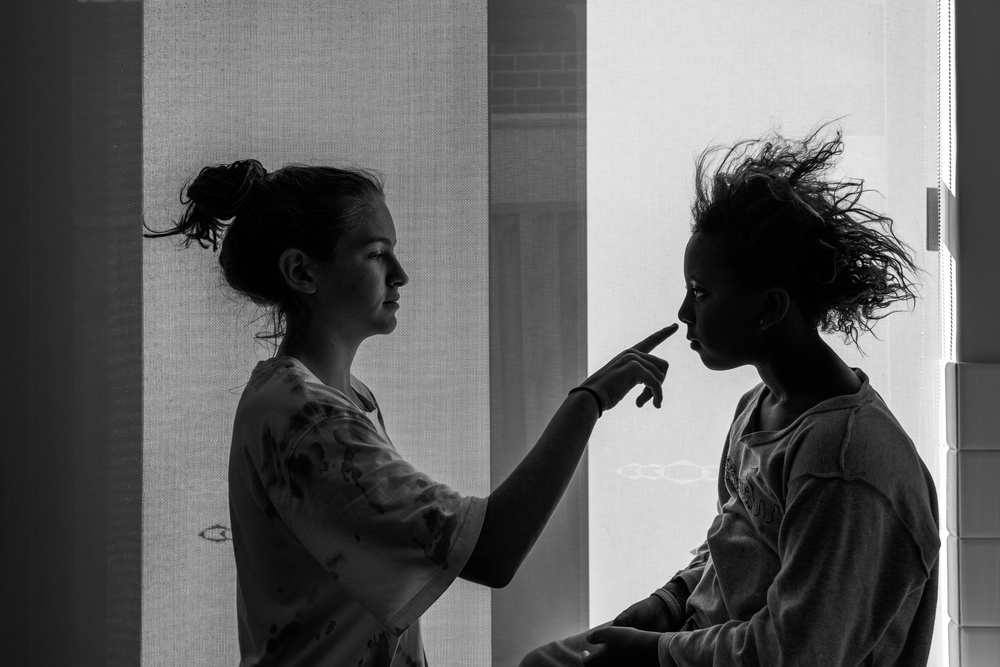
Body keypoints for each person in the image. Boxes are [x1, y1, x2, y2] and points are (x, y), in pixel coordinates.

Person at [144, 160, 677, 667]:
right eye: (376, 254)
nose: (400, 274)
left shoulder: (329, 400)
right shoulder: (310, 421)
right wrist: (588, 401)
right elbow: (494, 551)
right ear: (302, 271)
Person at [520, 125, 940, 667]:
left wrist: (656, 654)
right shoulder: (758, 408)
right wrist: (669, 603)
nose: (684, 314)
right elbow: (734, 555)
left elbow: (795, 654)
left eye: (700, 292)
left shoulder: (841, 464)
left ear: (768, 308)